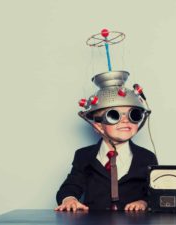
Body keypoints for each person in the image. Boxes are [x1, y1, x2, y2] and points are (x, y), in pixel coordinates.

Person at [55, 71, 158, 212]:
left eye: (133, 114)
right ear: (98, 126)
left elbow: (155, 192)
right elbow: (71, 185)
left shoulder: (146, 157)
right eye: (114, 116)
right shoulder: (84, 156)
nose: (124, 120)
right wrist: (69, 199)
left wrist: (143, 202)